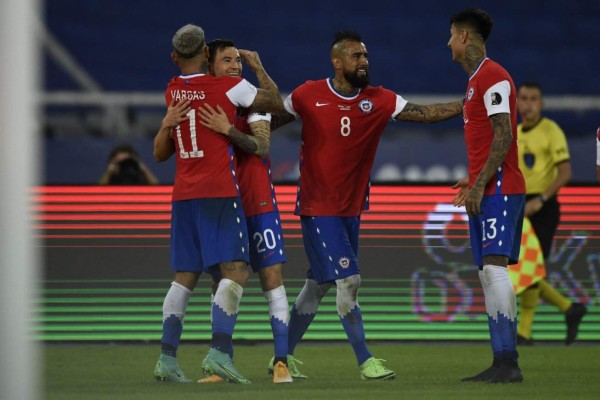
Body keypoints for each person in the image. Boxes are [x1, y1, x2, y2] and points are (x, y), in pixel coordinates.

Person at [269, 30, 464, 381]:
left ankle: (281, 357)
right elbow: (266, 123)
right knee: (350, 279)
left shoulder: (379, 99)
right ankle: (365, 361)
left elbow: (427, 113)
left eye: (365, 56)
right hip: (318, 206)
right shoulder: (306, 95)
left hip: (351, 209)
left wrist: (469, 103)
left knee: (319, 285)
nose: (364, 62)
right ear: (337, 61)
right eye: (356, 56)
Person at [152, 24, 283, 384]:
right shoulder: (229, 87)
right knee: (237, 271)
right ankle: (219, 354)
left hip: (183, 196)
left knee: (184, 277)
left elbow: (160, 154)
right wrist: (256, 69)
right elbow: (274, 102)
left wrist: (165, 125)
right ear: (208, 56)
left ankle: (167, 359)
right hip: (218, 193)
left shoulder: (173, 90)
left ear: (175, 57)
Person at [196, 38, 293, 384]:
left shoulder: (251, 105)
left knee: (271, 279)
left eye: (238, 60)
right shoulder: (205, 106)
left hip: (258, 205)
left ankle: (281, 361)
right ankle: (222, 362)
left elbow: (263, 144)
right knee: (219, 282)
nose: (235, 66)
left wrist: (258, 68)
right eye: (227, 60)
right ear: (210, 66)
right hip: (222, 205)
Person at [449, 9, 525, 383]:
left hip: (500, 188)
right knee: (486, 273)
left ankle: (509, 362)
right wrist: (474, 179)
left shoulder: (492, 76)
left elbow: (504, 135)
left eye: (451, 36)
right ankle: (500, 361)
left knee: (495, 268)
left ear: (464, 36)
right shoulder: (476, 82)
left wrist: (481, 184)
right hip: (488, 186)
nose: (448, 44)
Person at [515, 82, 587, 346]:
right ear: (518, 102)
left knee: (529, 268)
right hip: (520, 205)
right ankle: (569, 308)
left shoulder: (551, 130)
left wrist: (542, 200)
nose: (529, 103)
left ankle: (524, 332)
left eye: (534, 99)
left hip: (544, 207)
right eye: (524, 98)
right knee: (523, 267)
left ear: (542, 103)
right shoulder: (516, 131)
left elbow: (565, 172)